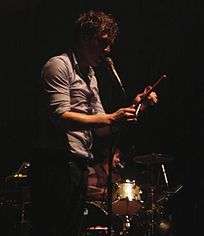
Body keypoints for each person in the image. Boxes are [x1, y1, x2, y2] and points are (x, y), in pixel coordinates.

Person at [34, 10, 158, 236]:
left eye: (109, 44)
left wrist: (137, 106)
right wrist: (112, 117)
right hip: (56, 162)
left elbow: (102, 129)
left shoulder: (90, 75)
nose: (108, 50)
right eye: (103, 43)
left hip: (79, 163)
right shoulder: (59, 66)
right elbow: (60, 116)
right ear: (84, 37)